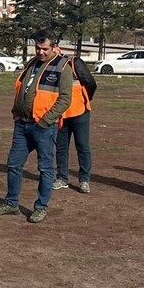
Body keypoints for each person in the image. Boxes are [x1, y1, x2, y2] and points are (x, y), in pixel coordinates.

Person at [0, 30, 72, 223]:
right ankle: (11, 203)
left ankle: (41, 207)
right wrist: (15, 113)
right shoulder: (31, 63)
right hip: (22, 124)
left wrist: (46, 120)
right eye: (38, 48)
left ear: (53, 48)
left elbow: (65, 99)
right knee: (14, 164)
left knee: (45, 168)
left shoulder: (63, 67)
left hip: (43, 127)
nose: (41, 52)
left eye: (45, 49)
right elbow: (22, 89)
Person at [52, 47, 97, 194]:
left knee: (82, 146)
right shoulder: (49, 67)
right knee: (61, 147)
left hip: (80, 112)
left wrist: (85, 100)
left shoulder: (74, 62)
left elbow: (91, 83)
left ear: (57, 49)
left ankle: (84, 180)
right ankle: (62, 178)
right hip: (60, 115)